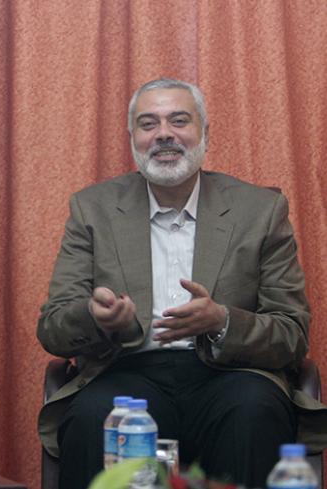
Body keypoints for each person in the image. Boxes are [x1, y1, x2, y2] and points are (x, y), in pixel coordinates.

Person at [37, 78, 327, 488]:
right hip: (127, 373)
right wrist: (98, 319)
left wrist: (222, 321)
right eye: (148, 124)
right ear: (133, 138)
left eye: (178, 120)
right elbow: (52, 328)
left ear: (205, 132)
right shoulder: (92, 209)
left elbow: (292, 333)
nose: (164, 134)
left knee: (253, 410)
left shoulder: (260, 210)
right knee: (93, 416)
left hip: (233, 374)